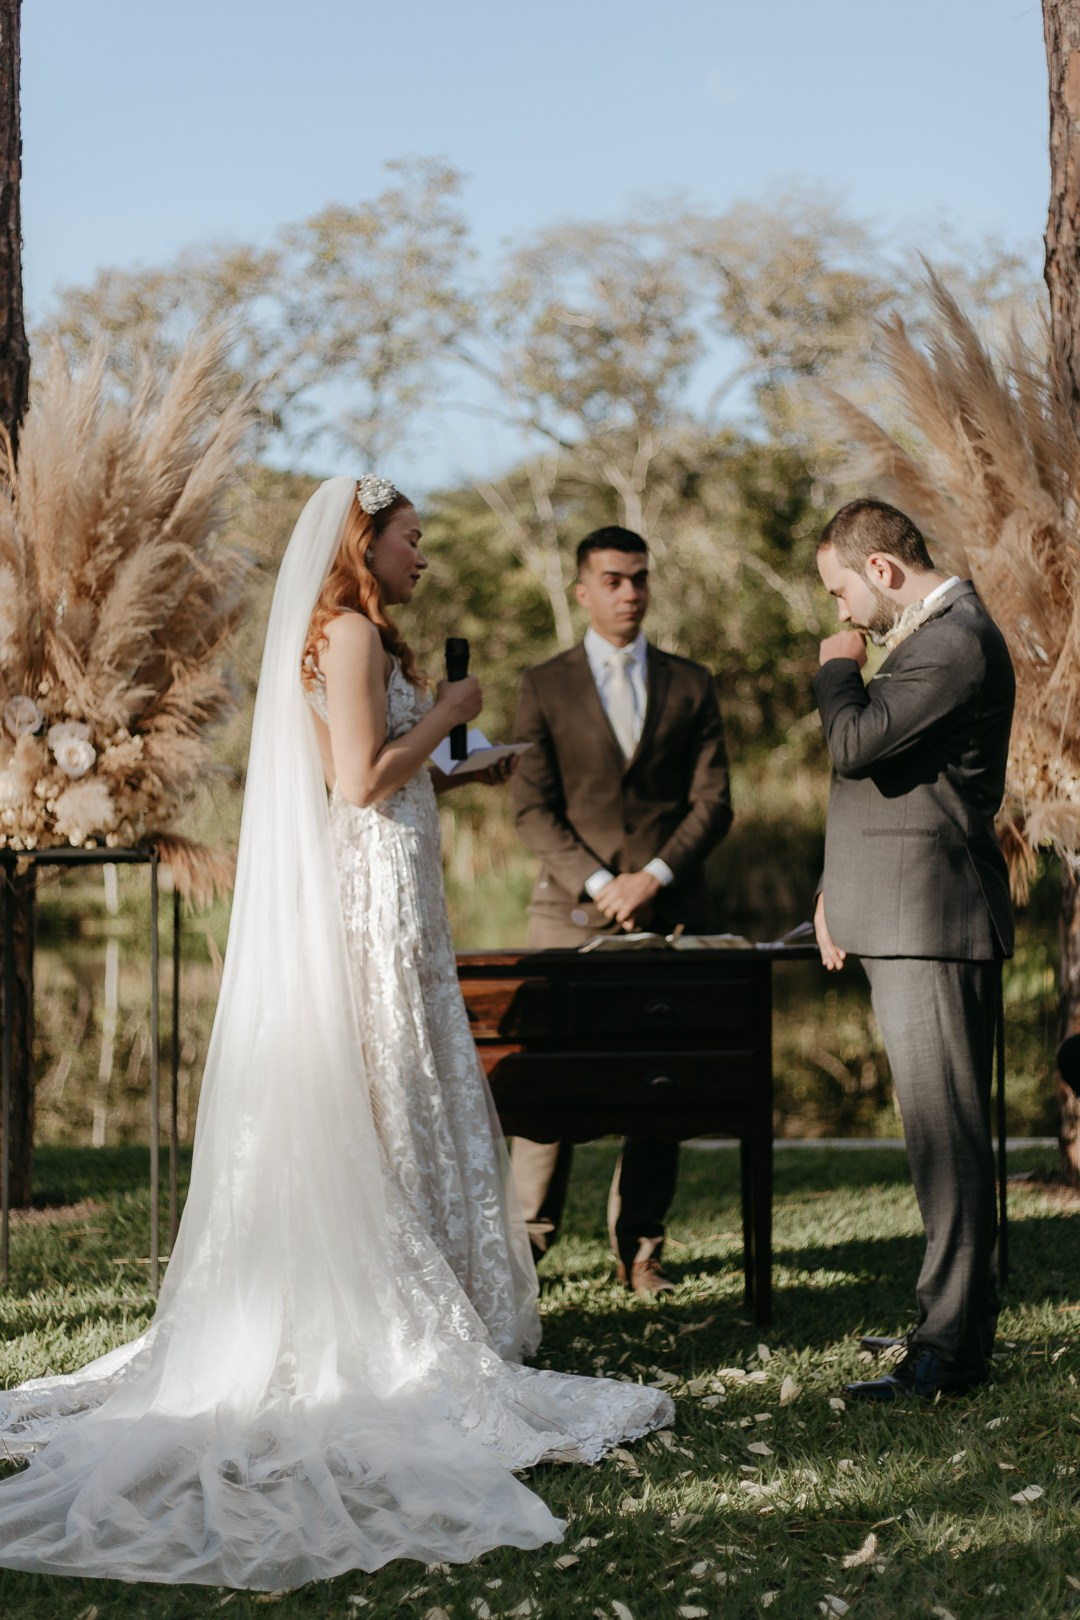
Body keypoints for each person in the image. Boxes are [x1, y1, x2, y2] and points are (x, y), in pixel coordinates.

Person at [0, 477, 672, 1590]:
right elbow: (357, 783)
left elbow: (370, 768)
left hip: (396, 879)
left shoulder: (348, 634)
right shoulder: (349, 632)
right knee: (392, 1076)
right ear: (367, 541)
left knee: (401, 1079)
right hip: (376, 887)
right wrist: (448, 718)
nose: (423, 557)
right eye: (412, 539)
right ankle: (394, 1315)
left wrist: (461, 760)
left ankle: (436, 1292)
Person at [812, 497, 1015, 1402]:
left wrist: (835, 670)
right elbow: (898, 781)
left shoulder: (954, 640)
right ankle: (951, 1322)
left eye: (841, 591)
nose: (841, 612)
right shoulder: (933, 637)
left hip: (933, 920)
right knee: (937, 1138)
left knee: (947, 1142)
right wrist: (834, 887)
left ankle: (949, 1356)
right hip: (903, 915)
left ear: (882, 570)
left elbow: (855, 744)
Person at [510, 525, 733, 1295]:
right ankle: (524, 1251)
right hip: (567, 916)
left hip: (669, 912)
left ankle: (641, 1252)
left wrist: (654, 877)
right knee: (545, 1090)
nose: (629, 592)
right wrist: (603, 882)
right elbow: (531, 809)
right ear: (583, 590)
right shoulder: (543, 685)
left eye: (639, 578)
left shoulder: (692, 683)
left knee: (657, 1087)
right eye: (612, 579)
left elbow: (714, 802)